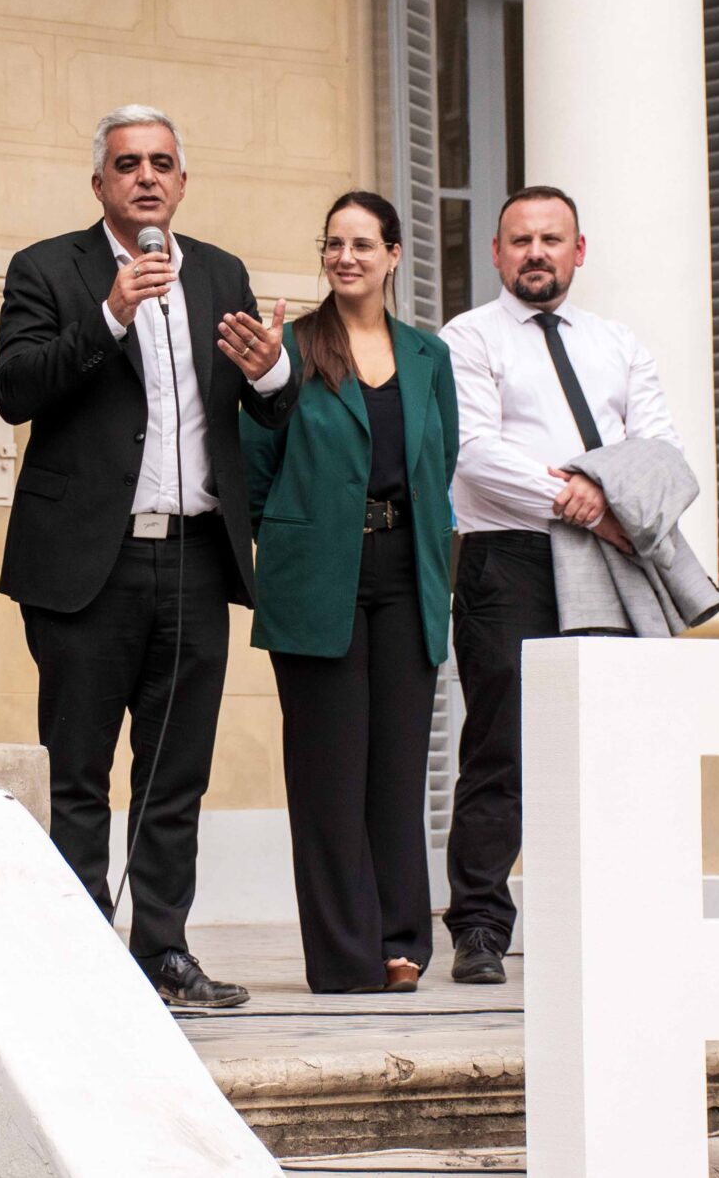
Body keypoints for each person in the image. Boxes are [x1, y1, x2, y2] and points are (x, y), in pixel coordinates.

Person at [0, 105, 298, 1008]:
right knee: (78, 768)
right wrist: (110, 315)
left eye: (162, 162)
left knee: (175, 772)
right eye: (128, 164)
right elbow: (14, 388)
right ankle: (81, 950)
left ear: (183, 181)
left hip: (198, 556)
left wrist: (273, 370)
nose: (147, 177)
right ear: (99, 183)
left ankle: (163, 948)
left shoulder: (222, 273)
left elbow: (266, 407)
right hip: (90, 560)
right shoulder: (48, 268)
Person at [438, 185, 683, 985]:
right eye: (520, 240)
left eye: (551, 239)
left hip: (609, 559)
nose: (535, 252)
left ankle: (611, 921)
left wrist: (602, 501)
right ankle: (479, 926)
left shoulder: (619, 343)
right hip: (508, 558)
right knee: (500, 746)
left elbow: (661, 448)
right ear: (497, 252)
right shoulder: (468, 337)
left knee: (612, 743)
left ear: (578, 251)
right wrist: (579, 498)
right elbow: (474, 451)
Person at [241, 191, 459, 994]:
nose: (345, 257)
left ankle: (401, 939)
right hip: (317, 573)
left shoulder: (429, 356)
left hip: (408, 569)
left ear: (394, 254)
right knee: (329, 774)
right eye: (333, 243)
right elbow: (255, 463)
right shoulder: (291, 347)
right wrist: (297, 537)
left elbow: (443, 459)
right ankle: (343, 953)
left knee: (397, 770)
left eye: (363, 243)